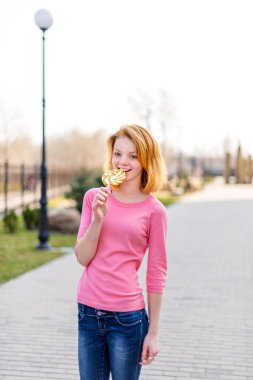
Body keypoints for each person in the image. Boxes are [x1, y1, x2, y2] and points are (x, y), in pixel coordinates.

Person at [74, 124, 168, 380]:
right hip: (88, 313)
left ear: (146, 161)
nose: (122, 162)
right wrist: (97, 219)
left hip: (128, 320)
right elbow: (83, 258)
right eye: (118, 154)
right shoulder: (94, 197)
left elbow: (157, 272)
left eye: (133, 156)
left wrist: (154, 333)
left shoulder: (154, 211)